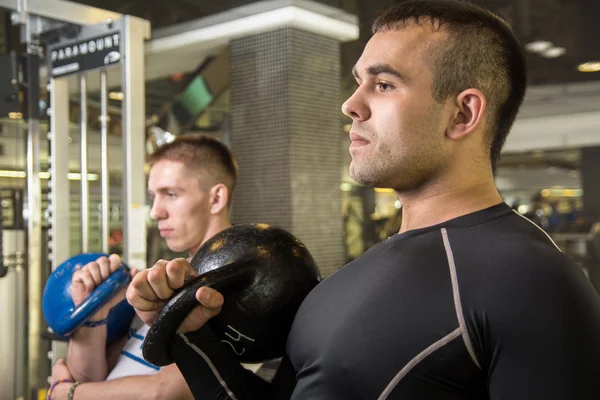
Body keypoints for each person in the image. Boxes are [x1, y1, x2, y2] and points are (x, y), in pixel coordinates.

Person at [127, 1, 600, 399]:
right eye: (358, 81)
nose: (351, 104)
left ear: (462, 113)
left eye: (384, 83)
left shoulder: (531, 281)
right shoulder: (347, 280)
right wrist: (188, 333)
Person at [47, 134, 239, 399]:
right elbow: (94, 380)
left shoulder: (231, 291)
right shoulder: (163, 285)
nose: (155, 212)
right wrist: (94, 314)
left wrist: (67, 394)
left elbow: (165, 393)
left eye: (171, 194)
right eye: (153, 196)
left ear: (216, 198)